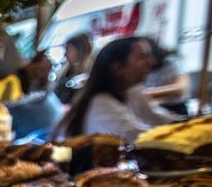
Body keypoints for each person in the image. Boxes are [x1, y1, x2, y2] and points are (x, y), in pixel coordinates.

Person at [53, 36, 181, 143]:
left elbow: (158, 117)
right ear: (118, 68)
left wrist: (190, 124)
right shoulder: (100, 103)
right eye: (142, 57)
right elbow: (137, 137)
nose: (151, 62)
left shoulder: (133, 92)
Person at [143, 39, 191, 116]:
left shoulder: (171, 63)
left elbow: (180, 89)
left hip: (175, 108)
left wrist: (143, 94)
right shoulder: (142, 68)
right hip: (153, 109)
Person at [53, 32, 93, 104]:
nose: (65, 54)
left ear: (79, 52)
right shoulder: (64, 70)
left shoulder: (87, 75)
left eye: (68, 50)